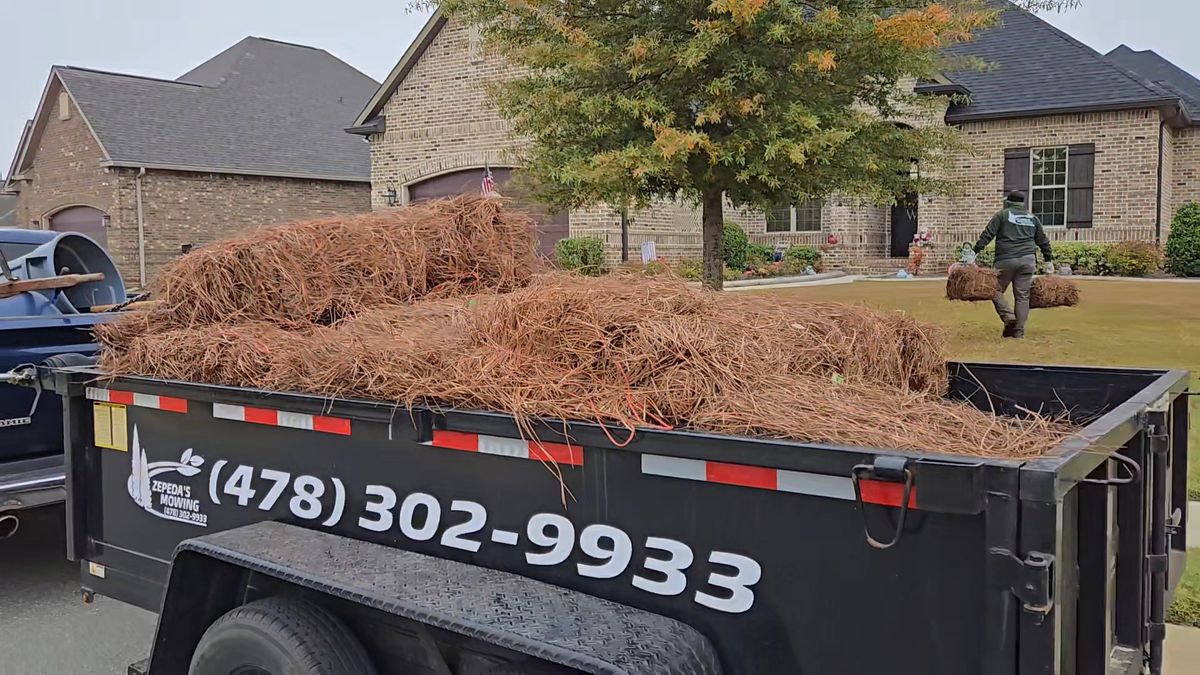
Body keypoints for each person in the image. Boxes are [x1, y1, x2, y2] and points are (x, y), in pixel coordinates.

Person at [973, 191, 1054, 339]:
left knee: (993, 290)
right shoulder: (1033, 218)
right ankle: (1019, 332)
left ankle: (1009, 316)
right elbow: (1043, 241)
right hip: (1028, 261)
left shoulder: (1002, 215)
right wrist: (1049, 260)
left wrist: (975, 252)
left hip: (1006, 259)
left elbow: (987, 234)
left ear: (1008, 202)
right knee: (1023, 296)